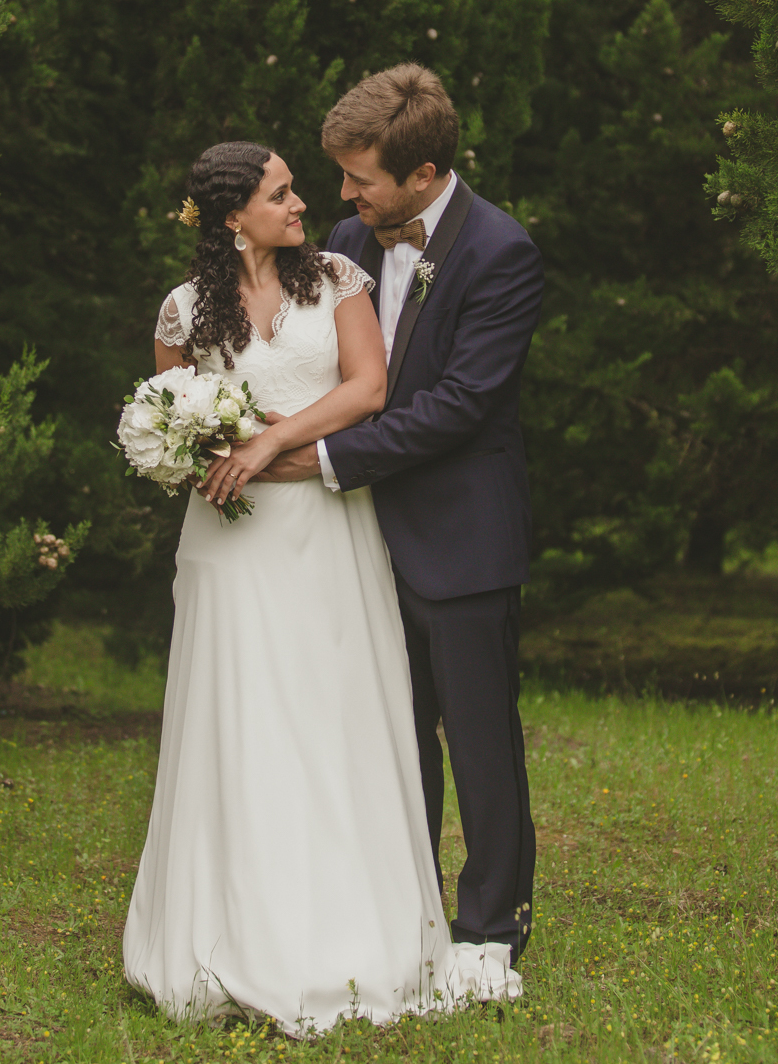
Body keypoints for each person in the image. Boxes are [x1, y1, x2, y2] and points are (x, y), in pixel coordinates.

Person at [122, 139, 519, 1032]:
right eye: (281, 192)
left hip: (325, 529)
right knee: (238, 718)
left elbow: (369, 388)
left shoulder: (336, 274)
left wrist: (267, 441)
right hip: (226, 546)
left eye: (296, 188)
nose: (303, 202)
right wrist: (199, 453)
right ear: (234, 216)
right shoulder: (184, 309)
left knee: (331, 716)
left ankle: (352, 931)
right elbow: (167, 409)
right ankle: (223, 929)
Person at [256, 65, 544, 970]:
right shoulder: (349, 238)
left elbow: (461, 404)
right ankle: (401, 913)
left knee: (479, 742)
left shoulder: (500, 252)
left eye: (359, 177)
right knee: (385, 731)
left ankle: (492, 934)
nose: (341, 195)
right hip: (359, 542)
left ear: (421, 175)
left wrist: (324, 460)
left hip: (461, 538)